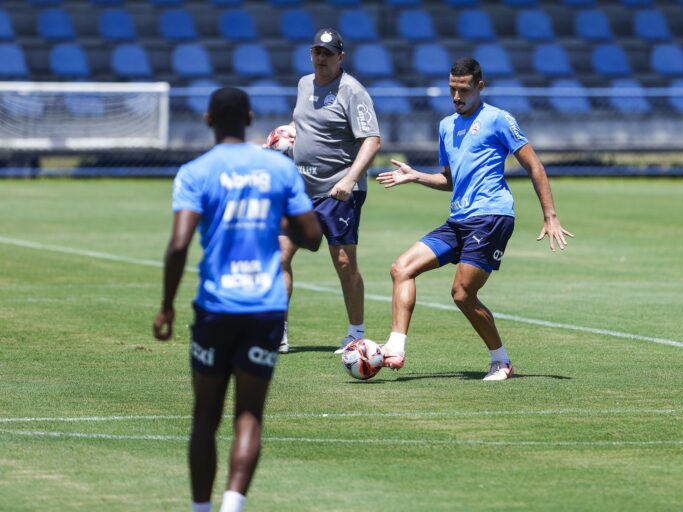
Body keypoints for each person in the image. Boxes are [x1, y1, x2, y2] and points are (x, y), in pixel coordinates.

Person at [152, 87, 321, 512]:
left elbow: (177, 246)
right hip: (265, 306)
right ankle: (232, 506)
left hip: (216, 306)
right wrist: (275, 216)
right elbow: (313, 237)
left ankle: (200, 509)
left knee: (205, 417)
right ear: (249, 118)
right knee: (249, 414)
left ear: (208, 120)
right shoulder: (277, 170)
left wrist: (167, 305)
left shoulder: (195, 172)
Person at [375, 58, 573, 381]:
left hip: (492, 217)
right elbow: (451, 181)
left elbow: (534, 166)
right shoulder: (446, 126)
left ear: (479, 87)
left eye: (463, 90)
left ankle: (501, 361)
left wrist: (550, 215)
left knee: (462, 294)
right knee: (401, 268)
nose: (456, 96)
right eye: (452, 89)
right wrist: (416, 177)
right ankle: (395, 348)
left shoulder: (498, 120)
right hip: (459, 219)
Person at [279, 28, 381, 354]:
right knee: (278, 256)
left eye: (327, 53)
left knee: (343, 262)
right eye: (316, 52)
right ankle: (276, 332)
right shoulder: (303, 84)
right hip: (301, 191)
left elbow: (372, 140)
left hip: (338, 191)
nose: (321, 58)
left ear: (341, 57)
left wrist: (350, 180)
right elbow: (307, 126)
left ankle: (356, 333)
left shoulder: (353, 91)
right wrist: (287, 135)